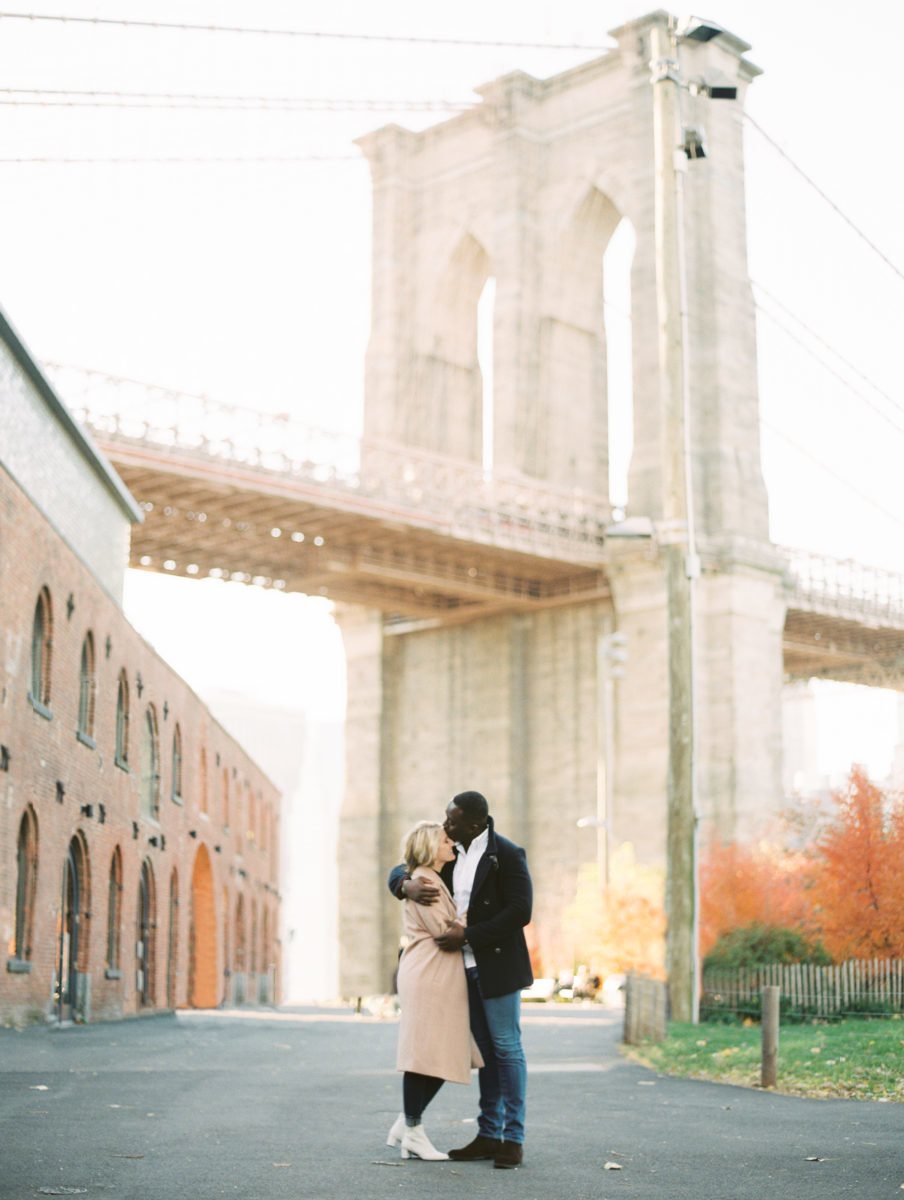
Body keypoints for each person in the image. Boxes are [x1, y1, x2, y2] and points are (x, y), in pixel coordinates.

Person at [389, 790, 533, 1169]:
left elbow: (521, 911)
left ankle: (512, 1139)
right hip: (457, 972)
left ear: (474, 823)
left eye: (450, 821)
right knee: (484, 1053)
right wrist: (405, 885)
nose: (445, 827)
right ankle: (488, 1134)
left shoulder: (507, 854)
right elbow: (408, 863)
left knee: (506, 1048)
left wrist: (468, 936)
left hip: (496, 967)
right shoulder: (451, 857)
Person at [387, 819, 482, 1162]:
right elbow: (446, 931)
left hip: (437, 974)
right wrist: (484, 918)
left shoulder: (430, 878)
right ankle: (413, 1131)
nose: (452, 845)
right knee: (424, 1054)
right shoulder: (425, 880)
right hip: (429, 972)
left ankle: (406, 1123)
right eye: (445, 841)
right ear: (429, 847)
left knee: (443, 1054)